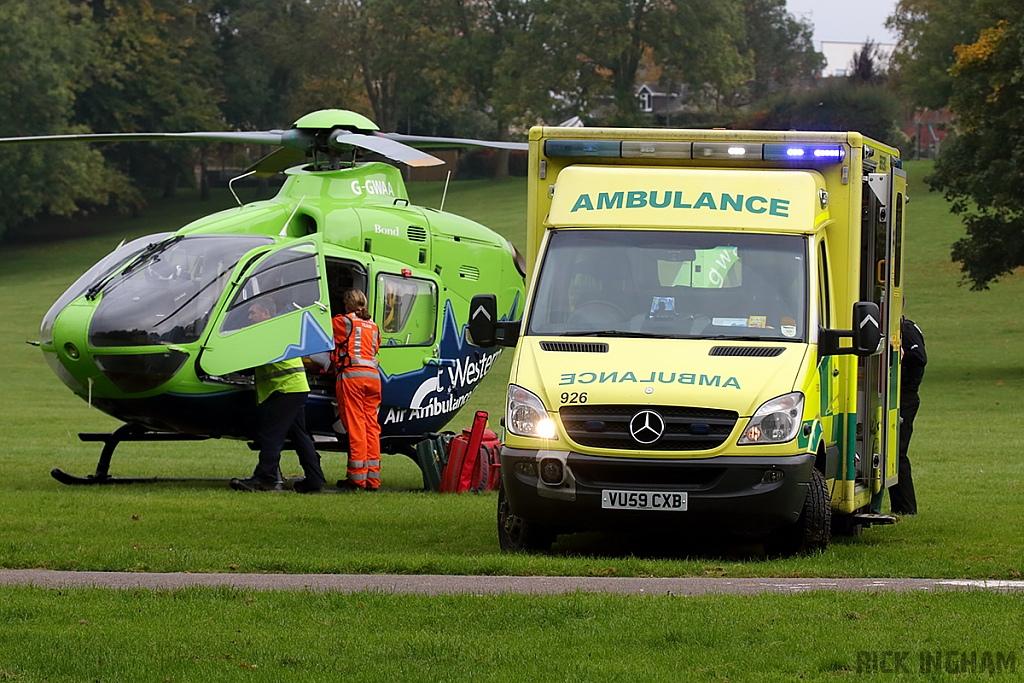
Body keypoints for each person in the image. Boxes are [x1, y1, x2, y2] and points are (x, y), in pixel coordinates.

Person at [230, 299, 327, 494]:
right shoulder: (277, 329)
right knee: (300, 436)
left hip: (285, 389)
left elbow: (250, 362)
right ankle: (314, 479)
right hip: (295, 387)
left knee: (272, 434)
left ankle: (264, 478)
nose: (249, 318)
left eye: (253, 313)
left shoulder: (266, 331)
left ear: (266, 314)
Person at [332, 289, 382, 491]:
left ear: (346, 305)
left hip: (352, 377)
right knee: (371, 427)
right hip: (373, 378)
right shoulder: (374, 326)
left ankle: (357, 480)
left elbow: (323, 334)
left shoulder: (342, 321)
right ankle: (372, 479)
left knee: (356, 427)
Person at [890, 314, 927, 515]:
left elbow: (920, 357)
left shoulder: (906, 329)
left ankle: (906, 508)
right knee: (893, 451)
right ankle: (899, 505)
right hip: (897, 395)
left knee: (898, 451)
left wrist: (901, 355)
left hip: (906, 396)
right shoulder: (896, 327)